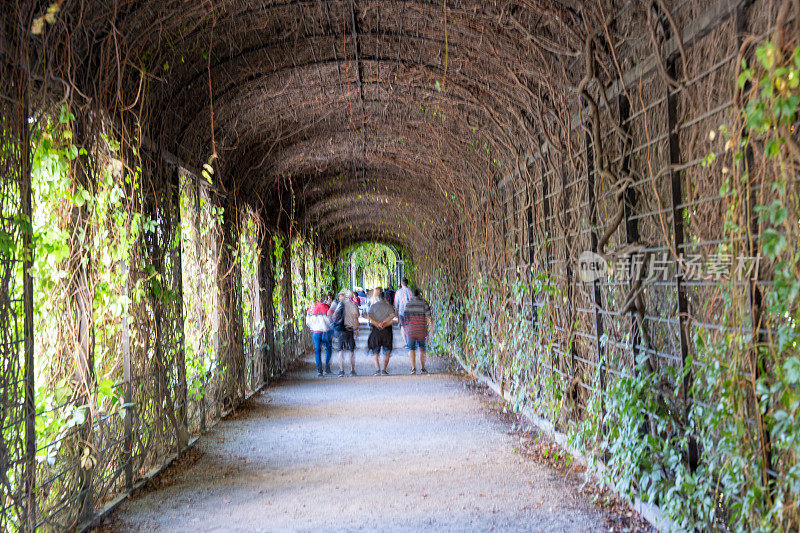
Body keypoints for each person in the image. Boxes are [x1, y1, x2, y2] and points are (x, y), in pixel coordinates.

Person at [366, 287, 396, 375]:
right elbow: (393, 316)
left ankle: (378, 370)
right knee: (387, 350)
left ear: (379, 297)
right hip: (387, 330)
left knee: (376, 351)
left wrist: (377, 323)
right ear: (385, 298)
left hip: (376, 330)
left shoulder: (374, 306)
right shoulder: (389, 306)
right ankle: (384, 369)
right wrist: (384, 322)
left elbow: (369, 317)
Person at [331, 289, 360, 376]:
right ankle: (352, 370)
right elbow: (355, 318)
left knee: (340, 350)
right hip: (349, 329)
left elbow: (334, 316)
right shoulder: (352, 305)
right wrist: (357, 329)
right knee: (351, 350)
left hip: (340, 330)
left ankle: (341, 371)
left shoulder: (340, 305)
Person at [404, 288, 433, 374]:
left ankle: (413, 368)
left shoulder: (408, 304)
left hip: (411, 330)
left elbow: (406, 319)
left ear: (412, 295)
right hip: (421, 329)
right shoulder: (424, 303)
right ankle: (423, 368)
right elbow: (428, 318)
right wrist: (431, 330)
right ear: (419, 294)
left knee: (411, 349)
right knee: (422, 349)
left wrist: (406, 329)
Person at [306, 292, 332, 377]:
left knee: (317, 351)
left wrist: (313, 327)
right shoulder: (327, 307)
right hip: (325, 332)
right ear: (325, 299)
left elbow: (308, 322)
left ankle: (319, 370)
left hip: (316, 332)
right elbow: (330, 320)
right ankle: (327, 367)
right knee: (328, 349)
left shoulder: (311, 308)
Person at [393, 278, 413, 343]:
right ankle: (410, 340)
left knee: (402, 326)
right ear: (407, 283)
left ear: (401, 284)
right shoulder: (411, 291)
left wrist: (396, 315)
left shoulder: (398, 292)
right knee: (409, 326)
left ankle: (406, 342)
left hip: (401, 312)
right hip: (410, 312)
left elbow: (396, 304)